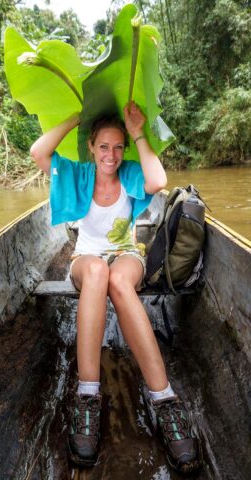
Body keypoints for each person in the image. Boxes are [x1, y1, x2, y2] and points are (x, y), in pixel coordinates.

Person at [30, 101, 201, 474]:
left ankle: (165, 399)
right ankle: (88, 396)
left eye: (118, 146)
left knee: (120, 281)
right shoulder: (76, 173)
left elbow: (158, 182)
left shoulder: (130, 174)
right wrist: (78, 113)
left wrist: (137, 131)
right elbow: (38, 152)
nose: (111, 155)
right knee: (95, 274)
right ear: (91, 146)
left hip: (126, 252)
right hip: (87, 256)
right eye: (104, 146)